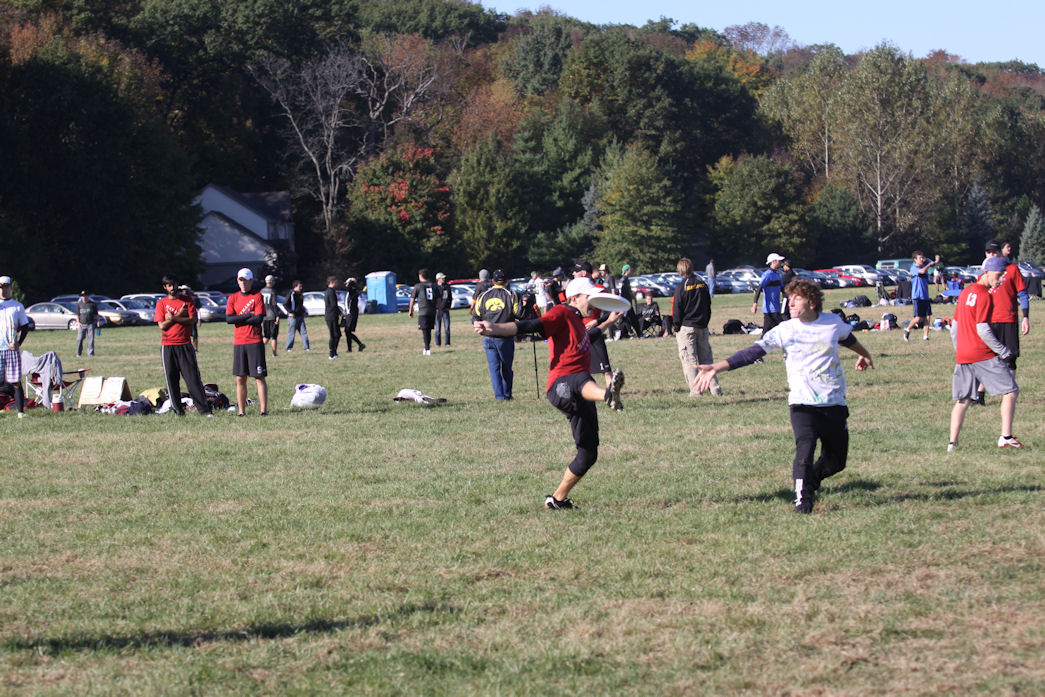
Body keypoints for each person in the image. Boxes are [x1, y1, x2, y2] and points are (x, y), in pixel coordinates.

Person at [696, 279, 874, 514]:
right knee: (805, 450)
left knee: (836, 462)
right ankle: (802, 501)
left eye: (796, 299)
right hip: (802, 403)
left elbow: (848, 340)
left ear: (811, 302)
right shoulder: (786, 330)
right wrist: (717, 367)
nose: (790, 303)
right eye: (789, 299)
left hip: (834, 402)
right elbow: (753, 352)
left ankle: (810, 481)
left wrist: (865, 354)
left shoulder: (832, 323)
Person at [473, 276, 625, 509]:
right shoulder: (561, 312)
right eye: (589, 298)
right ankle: (607, 395)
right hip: (561, 386)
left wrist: (609, 323)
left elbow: (588, 337)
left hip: (579, 393)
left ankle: (557, 499)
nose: (593, 303)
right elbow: (531, 326)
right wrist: (493, 327)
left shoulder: (577, 321)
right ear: (574, 298)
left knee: (588, 453)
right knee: (581, 378)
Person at [948, 255, 1022, 450]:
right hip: (982, 354)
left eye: (1003, 275)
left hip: (963, 355)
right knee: (1011, 391)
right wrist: (1003, 351)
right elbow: (983, 330)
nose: (1000, 279)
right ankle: (1006, 437)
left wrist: (960, 351)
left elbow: (954, 328)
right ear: (986, 273)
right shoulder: (985, 296)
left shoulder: (965, 292)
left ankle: (952, 444)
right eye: (998, 275)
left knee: (963, 400)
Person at [973, 240, 1030, 406]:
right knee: (986, 358)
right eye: (988, 252)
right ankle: (979, 395)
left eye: (994, 252)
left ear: (1000, 252)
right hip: (988, 321)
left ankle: (1010, 394)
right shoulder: (984, 273)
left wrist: (1025, 317)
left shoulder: (1012, 270)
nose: (991, 255)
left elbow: (1022, 293)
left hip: (1008, 319)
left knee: (1010, 358)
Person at [156, 275, 212, 416]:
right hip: (168, 345)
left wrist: (173, 317)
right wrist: (180, 315)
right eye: (169, 285)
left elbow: (192, 320)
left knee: (193, 379)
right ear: (165, 287)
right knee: (171, 379)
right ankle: (178, 411)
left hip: (185, 344)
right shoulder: (161, 303)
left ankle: (205, 410)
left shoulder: (187, 300)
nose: (172, 288)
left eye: (174, 284)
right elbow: (162, 325)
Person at [673, 258, 721, 396]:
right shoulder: (702, 284)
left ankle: (696, 391)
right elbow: (708, 305)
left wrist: (676, 326)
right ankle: (715, 389)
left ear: (680, 270)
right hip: (702, 326)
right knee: (706, 359)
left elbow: (677, 308)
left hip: (687, 327)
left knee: (690, 360)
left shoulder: (682, 286)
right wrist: (705, 322)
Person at [225, 268, 268, 416]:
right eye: (241, 280)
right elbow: (229, 319)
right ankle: (241, 411)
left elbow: (258, 318)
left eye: (246, 280)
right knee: (240, 378)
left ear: (251, 281)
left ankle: (263, 410)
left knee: (259, 376)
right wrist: (247, 315)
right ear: (238, 281)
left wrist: (239, 318)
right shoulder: (233, 298)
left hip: (254, 340)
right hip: (239, 342)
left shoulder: (257, 296)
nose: (243, 283)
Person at [471, 268, 520, 399]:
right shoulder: (511, 294)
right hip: (505, 336)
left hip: (488, 337)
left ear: (493, 281)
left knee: (494, 369)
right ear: (507, 281)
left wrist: (477, 325)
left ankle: (499, 396)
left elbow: (475, 316)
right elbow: (519, 314)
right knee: (507, 368)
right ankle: (507, 394)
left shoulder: (483, 295)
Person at [0, 275, 30, 417]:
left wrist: (19, 343)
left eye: (5, 287)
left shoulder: (17, 306)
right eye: (0, 287)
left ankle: (20, 412)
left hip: (11, 349)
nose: (3, 290)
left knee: (16, 381)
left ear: (10, 287)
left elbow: (25, 326)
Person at [903, 251, 939, 342]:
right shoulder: (914, 268)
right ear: (915, 260)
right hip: (917, 296)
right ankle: (907, 329)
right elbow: (922, 271)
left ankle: (925, 336)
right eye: (920, 258)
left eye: (923, 258)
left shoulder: (924, 264)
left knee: (928, 316)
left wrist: (927, 260)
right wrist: (929, 264)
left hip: (925, 296)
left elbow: (931, 262)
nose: (922, 259)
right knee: (919, 318)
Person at [752, 253, 786, 333]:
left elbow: (783, 289)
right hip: (770, 309)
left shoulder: (777, 274)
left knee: (767, 331)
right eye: (779, 261)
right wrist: (755, 304)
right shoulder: (767, 275)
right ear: (773, 262)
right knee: (781, 329)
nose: (781, 262)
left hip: (776, 307)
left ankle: (762, 340)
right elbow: (759, 288)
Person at [409, 268, 438, 355]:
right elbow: (439, 299)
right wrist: (439, 311)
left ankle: (427, 348)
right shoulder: (433, 285)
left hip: (423, 310)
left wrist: (410, 310)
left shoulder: (418, 286)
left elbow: (412, 299)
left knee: (425, 330)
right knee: (428, 330)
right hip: (432, 310)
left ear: (420, 276)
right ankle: (427, 347)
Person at [284, 280, 310, 352]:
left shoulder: (300, 294)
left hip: (300, 316)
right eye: (299, 286)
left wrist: (304, 312)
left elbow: (300, 305)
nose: (301, 288)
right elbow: (285, 304)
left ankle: (307, 347)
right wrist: (290, 312)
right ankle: (289, 348)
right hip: (293, 317)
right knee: (292, 332)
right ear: (295, 286)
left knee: (304, 332)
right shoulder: (291, 294)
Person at [343, 277, 365, 352]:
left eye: (347, 283)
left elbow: (350, 287)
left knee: (348, 331)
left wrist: (351, 281)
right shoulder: (350, 292)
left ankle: (358, 345)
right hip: (348, 313)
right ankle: (352, 348)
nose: (346, 285)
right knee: (347, 332)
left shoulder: (353, 292)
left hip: (352, 314)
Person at [260, 274, 281, 357]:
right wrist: (277, 315)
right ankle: (274, 353)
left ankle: (259, 349)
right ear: (271, 281)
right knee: (274, 336)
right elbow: (274, 304)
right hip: (272, 315)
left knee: (266, 335)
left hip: (264, 315)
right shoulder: (273, 291)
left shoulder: (261, 291)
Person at [618, 265, 639, 338]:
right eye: (630, 269)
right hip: (626, 302)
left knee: (626, 318)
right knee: (627, 318)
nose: (631, 271)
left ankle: (625, 333)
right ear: (626, 270)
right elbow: (625, 291)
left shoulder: (624, 279)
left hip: (626, 302)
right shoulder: (625, 279)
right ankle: (633, 333)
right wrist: (634, 298)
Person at [323, 276, 342, 359]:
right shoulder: (330, 292)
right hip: (331, 316)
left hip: (332, 316)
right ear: (332, 282)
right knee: (334, 335)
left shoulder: (329, 291)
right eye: (336, 282)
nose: (337, 283)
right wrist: (340, 312)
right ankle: (331, 354)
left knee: (337, 334)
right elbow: (333, 304)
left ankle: (334, 353)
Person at [75, 290, 98, 357]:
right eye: (82, 296)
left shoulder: (92, 304)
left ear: (88, 296)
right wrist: (78, 323)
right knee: (79, 339)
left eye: (85, 296)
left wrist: (97, 321)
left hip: (90, 324)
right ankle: (78, 353)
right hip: (82, 324)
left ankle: (90, 353)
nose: (83, 297)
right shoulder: (79, 304)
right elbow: (77, 315)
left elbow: (96, 314)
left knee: (91, 339)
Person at [434, 272, 452, 347]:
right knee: (438, 328)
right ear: (438, 279)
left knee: (447, 327)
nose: (444, 279)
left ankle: (447, 343)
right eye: (442, 278)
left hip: (445, 310)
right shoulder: (434, 287)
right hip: (437, 311)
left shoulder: (446, 287)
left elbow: (449, 297)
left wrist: (448, 306)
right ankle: (438, 343)